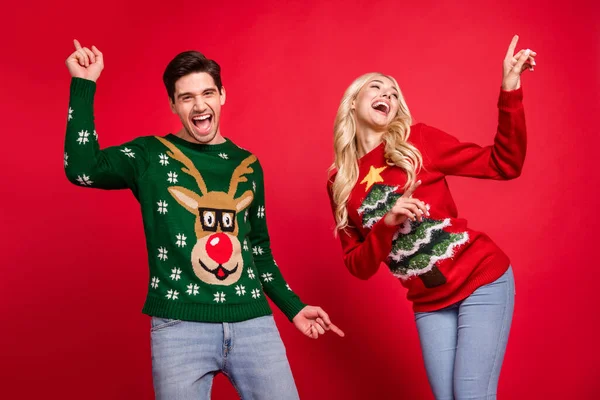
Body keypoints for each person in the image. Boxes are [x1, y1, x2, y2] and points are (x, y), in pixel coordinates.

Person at [64, 39, 344, 399]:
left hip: (252, 323)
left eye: (207, 93)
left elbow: (257, 250)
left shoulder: (247, 165)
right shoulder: (150, 155)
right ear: (173, 104)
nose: (200, 105)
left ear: (222, 95)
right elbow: (82, 169)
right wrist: (84, 83)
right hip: (180, 327)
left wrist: (294, 307)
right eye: (187, 97)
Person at [327, 35, 534, 399]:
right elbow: (356, 265)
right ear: (353, 103)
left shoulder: (417, 141)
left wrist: (510, 89)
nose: (387, 96)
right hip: (429, 302)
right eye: (377, 88)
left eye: (394, 93)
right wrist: (385, 226)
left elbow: (505, 163)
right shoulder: (339, 181)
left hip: (480, 279)